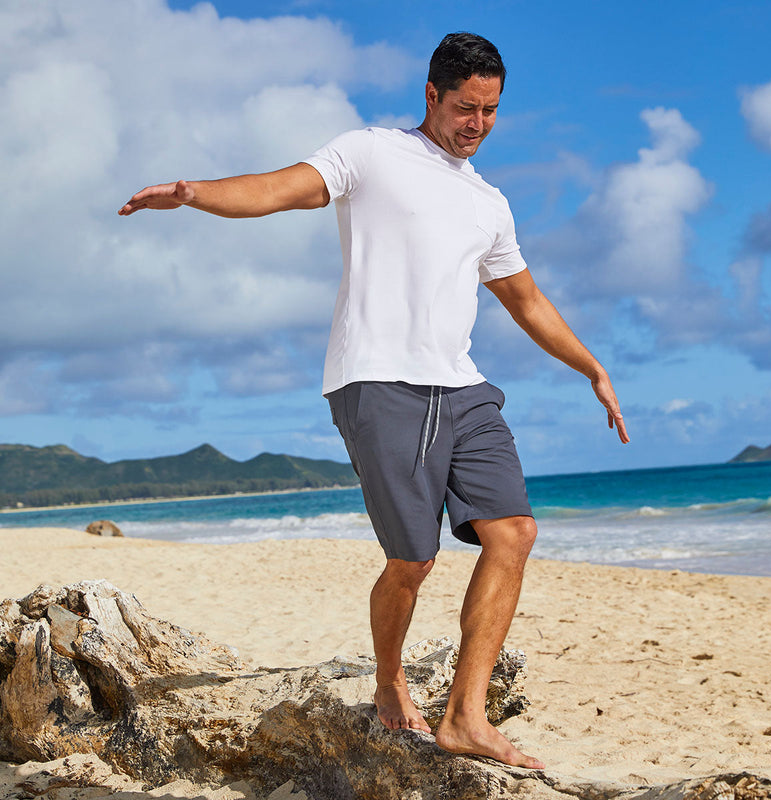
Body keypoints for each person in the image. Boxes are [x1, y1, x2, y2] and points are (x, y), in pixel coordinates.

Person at [119, 32, 629, 770]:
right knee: (412, 562)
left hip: (462, 385)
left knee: (514, 531)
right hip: (379, 381)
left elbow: (524, 297)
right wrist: (195, 194)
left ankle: (465, 715)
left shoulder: (489, 202)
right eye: (464, 107)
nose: (477, 123)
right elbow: (281, 187)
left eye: (490, 110)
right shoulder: (371, 154)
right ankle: (390, 681)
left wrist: (591, 367)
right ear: (431, 95)